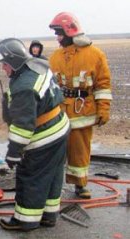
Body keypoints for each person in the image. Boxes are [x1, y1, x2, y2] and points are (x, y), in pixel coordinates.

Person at [0, 38, 70, 231]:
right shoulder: (39, 64)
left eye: (5, 65)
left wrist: (14, 153)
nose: (3, 69)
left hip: (45, 136)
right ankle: (49, 216)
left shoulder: (23, 87)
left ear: (15, 62)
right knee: (53, 173)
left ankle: (26, 220)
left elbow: (23, 127)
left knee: (32, 176)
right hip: (60, 127)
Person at [49, 12, 112, 199]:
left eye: (59, 33)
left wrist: (103, 109)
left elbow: (103, 85)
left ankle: (80, 185)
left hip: (82, 110)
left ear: (70, 32)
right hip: (60, 111)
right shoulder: (55, 57)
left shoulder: (95, 55)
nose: (57, 37)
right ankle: (54, 185)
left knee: (79, 150)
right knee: (56, 150)